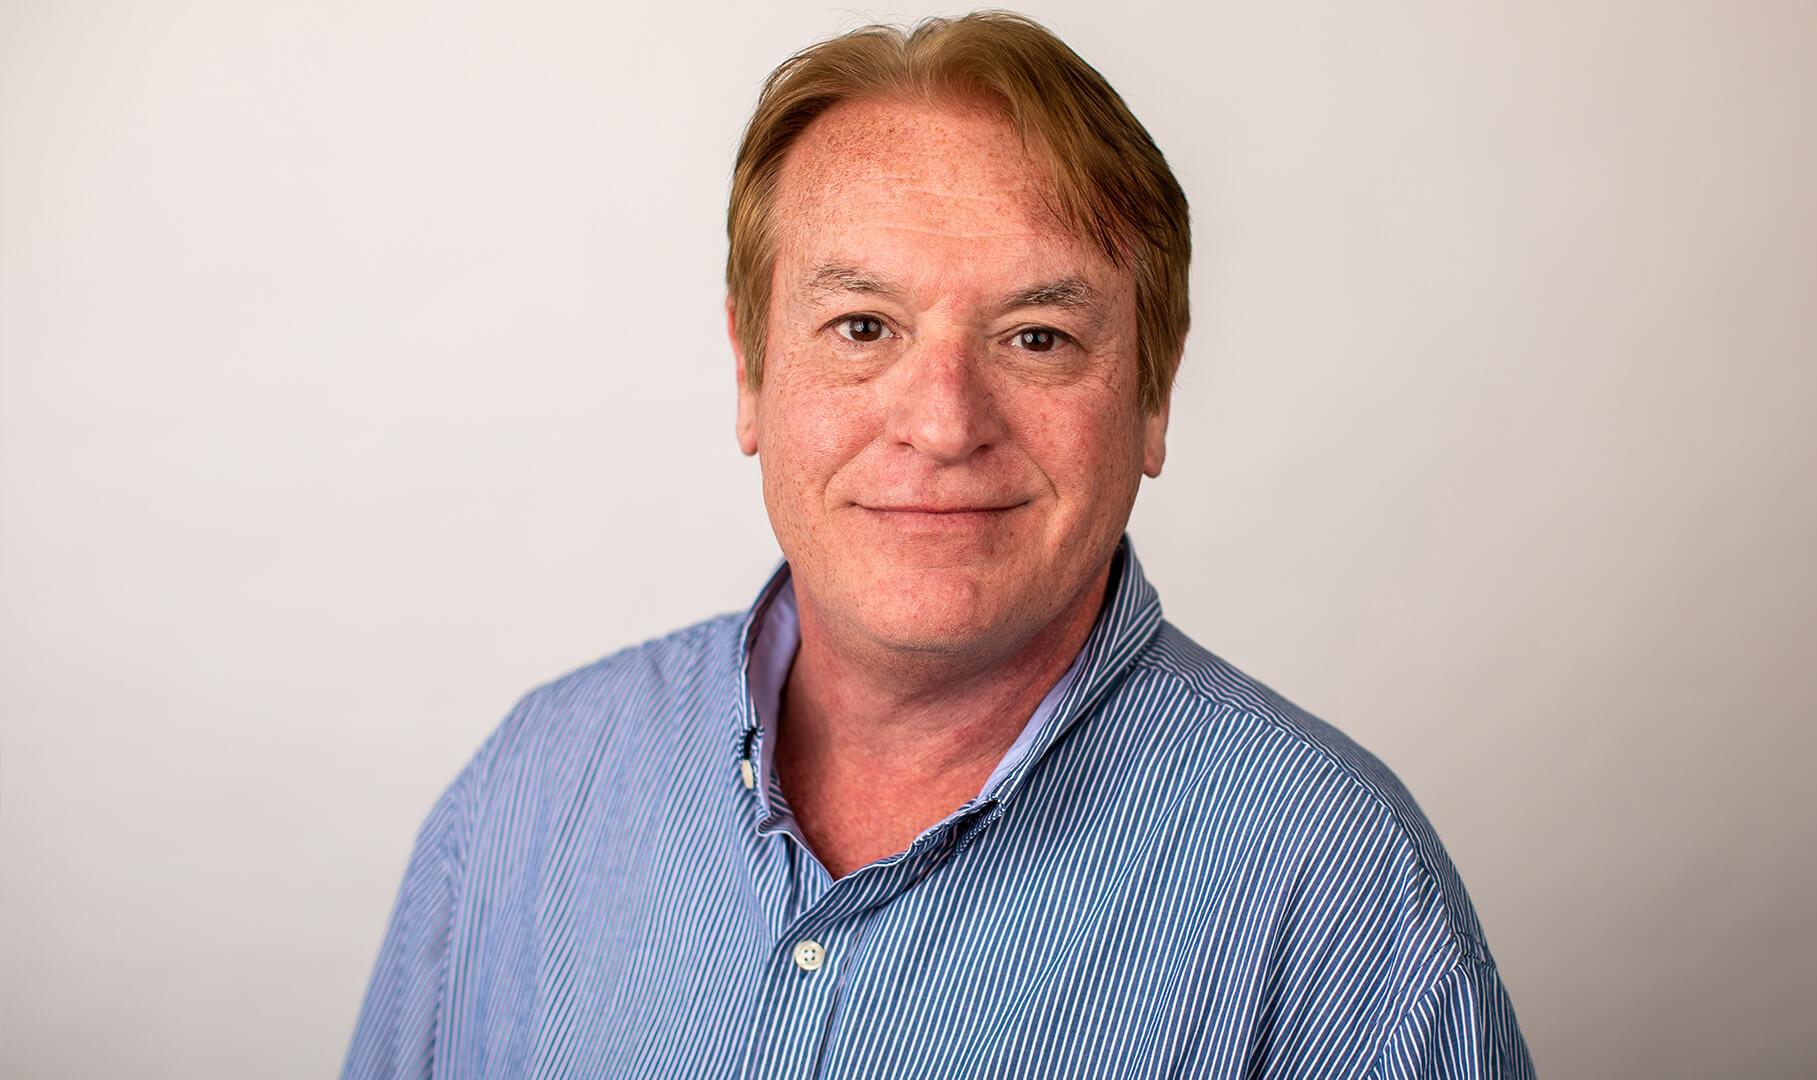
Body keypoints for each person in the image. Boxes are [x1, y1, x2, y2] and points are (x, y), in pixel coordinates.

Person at [343, 12, 1533, 1078]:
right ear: (751, 372)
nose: (945, 423)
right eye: (863, 327)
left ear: (1153, 395)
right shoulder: (531, 791)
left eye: (1037, 337)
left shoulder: (1340, 889)